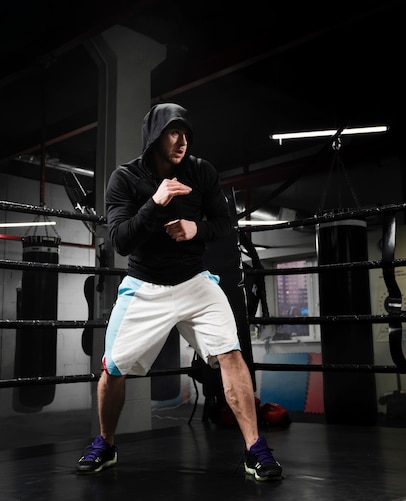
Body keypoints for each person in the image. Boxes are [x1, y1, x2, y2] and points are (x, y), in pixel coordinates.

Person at [75, 102, 282, 481]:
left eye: (186, 132)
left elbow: (224, 224)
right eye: (174, 132)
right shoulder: (124, 179)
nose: (182, 140)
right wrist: (156, 202)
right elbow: (121, 240)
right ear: (155, 136)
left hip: (194, 282)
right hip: (144, 286)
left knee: (231, 354)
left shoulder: (201, 172)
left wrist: (194, 228)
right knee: (113, 368)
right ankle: (105, 444)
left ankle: (256, 449)